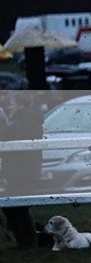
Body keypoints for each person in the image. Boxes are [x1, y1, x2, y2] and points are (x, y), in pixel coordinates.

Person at [0, 91, 44, 248]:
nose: (10, 105)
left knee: (17, 207)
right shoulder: (24, 116)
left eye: (12, 102)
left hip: (22, 170)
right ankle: (24, 241)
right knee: (15, 206)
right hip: (22, 169)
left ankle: (28, 242)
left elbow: (10, 135)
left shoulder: (25, 117)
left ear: (19, 103)